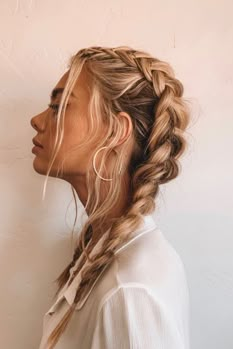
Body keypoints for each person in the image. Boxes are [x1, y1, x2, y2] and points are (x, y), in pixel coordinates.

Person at [30, 45, 191, 349]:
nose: (37, 120)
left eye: (59, 107)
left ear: (115, 131)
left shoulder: (130, 290)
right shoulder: (103, 253)